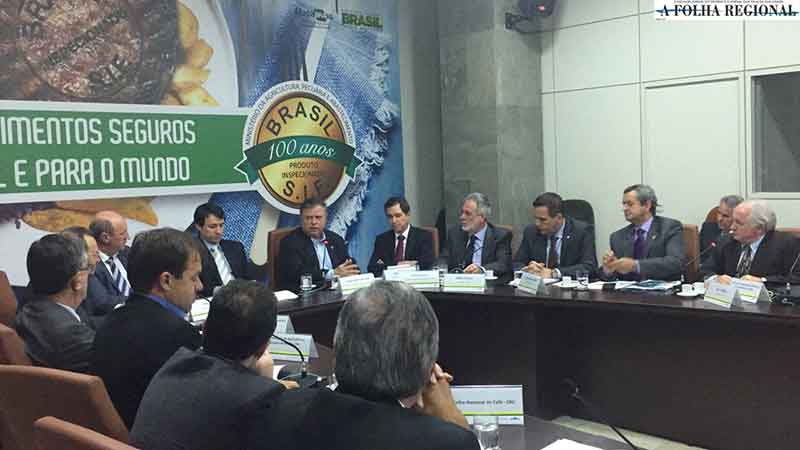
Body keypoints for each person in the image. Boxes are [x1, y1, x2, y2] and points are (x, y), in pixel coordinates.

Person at [259, 281, 479, 450]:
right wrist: (452, 418)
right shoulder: (446, 442)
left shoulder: (278, 410)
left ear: (339, 347)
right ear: (427, 365)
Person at [130, 280, 288, 450]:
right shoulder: (257, 397)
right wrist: (265, 382)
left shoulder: (173, 365)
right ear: (263, 348)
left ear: (204, 329)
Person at [90, 228, 203, 428]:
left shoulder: (110, 321)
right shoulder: (181, 336)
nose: (200, 286)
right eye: (193, 278)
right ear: (166, 280)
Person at [16, 233, 95, 372]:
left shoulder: (27, 310)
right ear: (77, 281)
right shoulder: (74, 336)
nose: (91, 273)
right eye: (88, 267)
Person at [700, 200, 800, 285]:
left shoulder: (787, 244)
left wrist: (762, 281)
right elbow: (705, 270)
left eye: (739, 223)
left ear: (759, 228)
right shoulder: (726, 241)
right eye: (733, 221)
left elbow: (796, 278)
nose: (732, 227)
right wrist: (715, 279)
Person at [601, 184, 684, 281]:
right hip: (628, 290)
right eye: (624, 204)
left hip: (662, 288)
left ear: (647, 205)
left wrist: (636, 265)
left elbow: (675, 263)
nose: (625, 208)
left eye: (630, 204)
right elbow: (615, 277)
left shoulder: (669, 228)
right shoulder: (617, 237)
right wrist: (609, 270)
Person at [276, 198, 359, 291]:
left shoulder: (335, 239)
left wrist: (351, 270)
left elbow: (347, 265)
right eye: (308, 218)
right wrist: (331, 274)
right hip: (307, 294)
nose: (314, 222)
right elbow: (297, 275)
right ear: (301, 219)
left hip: (336, 290)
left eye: (318, 217)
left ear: (325, 218)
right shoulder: (290, 243)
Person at [514, 192, 596, 279]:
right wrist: (526, 270)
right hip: (539, 285)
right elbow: (517, 263)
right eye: (536, 218)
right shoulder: (531, 231)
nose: (537, 223)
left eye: (542, 220)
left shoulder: (582, 231)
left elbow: (589, 267)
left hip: (567, 286)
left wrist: (554, 273)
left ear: (559, 217)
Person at [193, 202, 254, 297]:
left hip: (242, 298)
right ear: (198, 226)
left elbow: (247, 278)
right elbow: (193, 287)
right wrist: (221, 291)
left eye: (221, 225)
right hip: (213, 299)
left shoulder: (236, 247)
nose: (219, 231)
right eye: (212, 227)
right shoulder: (191, 252)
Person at [446, 193, 512, 276]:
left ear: (482, 217)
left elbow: (503, 264)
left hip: (487, 283)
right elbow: (443, 258)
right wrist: (440, 268)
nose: (462, 217)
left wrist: (481, 269)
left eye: (468, 213)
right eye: (462, 212)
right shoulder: (454, 234)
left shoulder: (500, 236)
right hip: (458, 282)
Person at [367, 197, 435, 276]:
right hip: (390, 282)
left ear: (408, 214)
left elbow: (427, 264)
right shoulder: (382, 240)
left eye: (398, 216)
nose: (394, 221)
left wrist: (386, 265)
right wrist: (399, 265)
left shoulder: (423, 237)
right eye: (390, 217)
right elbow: (372, 267)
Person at [84, 211, 130, 323]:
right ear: (105, 237)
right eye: (122, 234)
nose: (128, 237)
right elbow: (102, 302)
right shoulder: (90, 264)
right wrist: (141, 301)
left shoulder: (128, 253)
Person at [699, 195, 743, 265]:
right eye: (719, 213)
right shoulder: (707, 228)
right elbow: (699, 256)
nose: (719, 219)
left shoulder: (742, 236)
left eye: (725, 216)